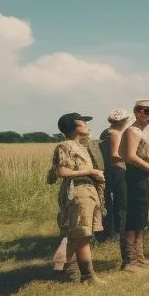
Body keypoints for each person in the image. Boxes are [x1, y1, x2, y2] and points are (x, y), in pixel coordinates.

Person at [49, 112, 105, 284]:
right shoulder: (65, 146)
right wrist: (91, 172)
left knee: (80, 234)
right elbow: (62, 172)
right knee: (82, 235)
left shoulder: (80, 145)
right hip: (78, 192)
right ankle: (88, 277)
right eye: (83, 123)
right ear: (74, 127)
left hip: (87, 191)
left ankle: (62, 269)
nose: (87, 125)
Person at [120, 99, 149, 270]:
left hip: (145, 176)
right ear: (137, 111)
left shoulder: (147, 134)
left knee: (141, 217)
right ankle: (129, 260)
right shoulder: (132, 131)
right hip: (135, 176)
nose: (148, 114)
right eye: (145, 110)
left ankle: (139, 257)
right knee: (133, 217)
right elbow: (130, 156)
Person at [99, 108, 132, 244]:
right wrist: (132, 158)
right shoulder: (116, 133)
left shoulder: (105, 132)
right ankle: (119, 233)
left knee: (112, 203)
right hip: (118, 169)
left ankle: (111, 232)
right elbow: (114, 155)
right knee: (122, 203)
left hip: (109, 170)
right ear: (123, 121)